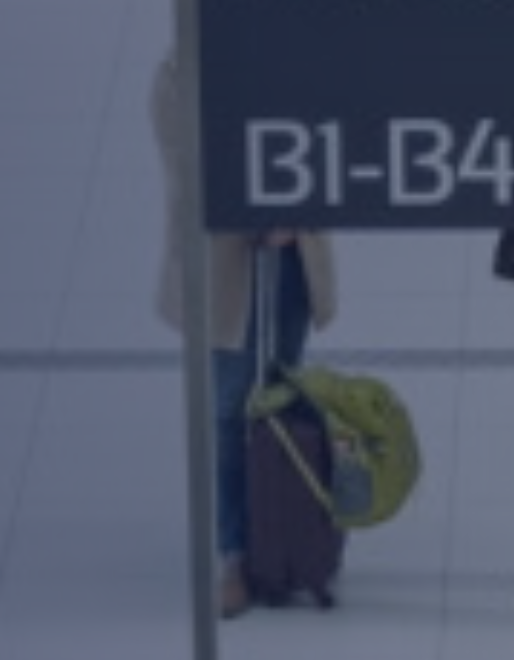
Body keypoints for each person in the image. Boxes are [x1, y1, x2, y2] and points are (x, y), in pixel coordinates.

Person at [149, 45, 333, 621]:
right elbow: (187, 160)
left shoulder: (300, 46)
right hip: (227, 260)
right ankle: (236, 552)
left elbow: (333, 134)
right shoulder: (181, 69)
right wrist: (257, 213)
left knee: (283, 402)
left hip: (292, 255)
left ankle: (286, 540)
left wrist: (296, 209)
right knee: (231, 408)